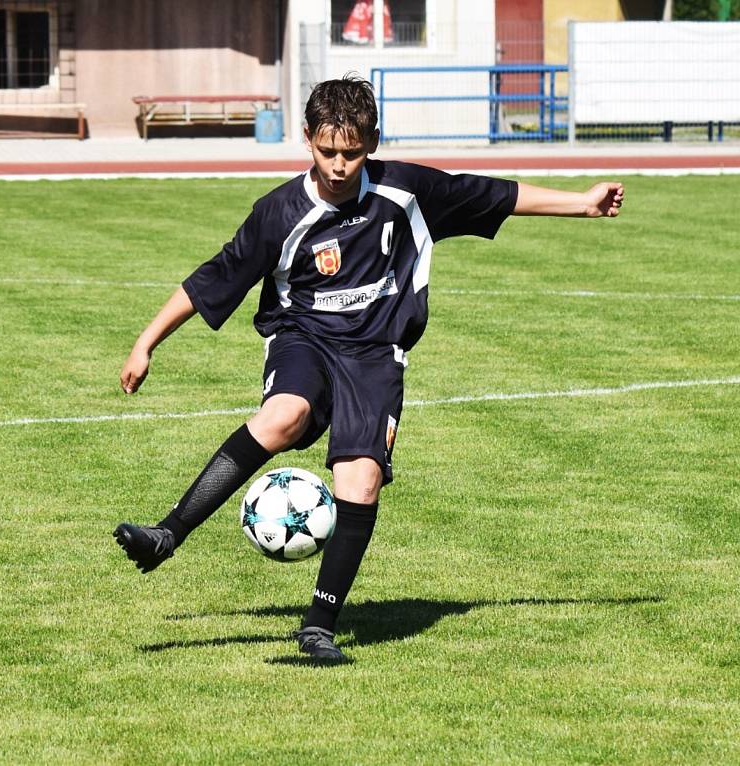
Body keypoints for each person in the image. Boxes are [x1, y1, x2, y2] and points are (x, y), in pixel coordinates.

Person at [114, 75, 624, 663]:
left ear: (371, 142)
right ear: (307, 139)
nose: (337, 164)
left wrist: (583, 204)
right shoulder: (279, 213)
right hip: (301, 338)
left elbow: (497, 194)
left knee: (361, 477)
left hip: (376, 353)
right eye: (326, 151)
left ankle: (318, 627)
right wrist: (145, 342)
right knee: (284, 416)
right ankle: (166, 534)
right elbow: (213, 277)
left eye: (351, 152)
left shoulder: (405, 192)